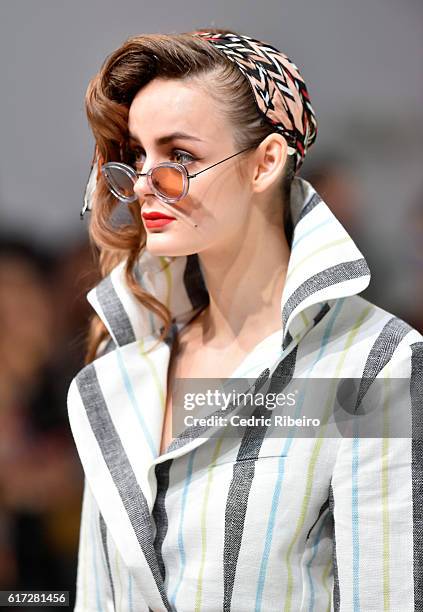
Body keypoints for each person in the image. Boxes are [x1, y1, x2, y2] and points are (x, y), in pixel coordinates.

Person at [67, 28, 423, 611]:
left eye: (179, 156)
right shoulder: (123, 366)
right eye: (138, 156)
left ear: (265, 163)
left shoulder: (372, 363)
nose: (146, 185)